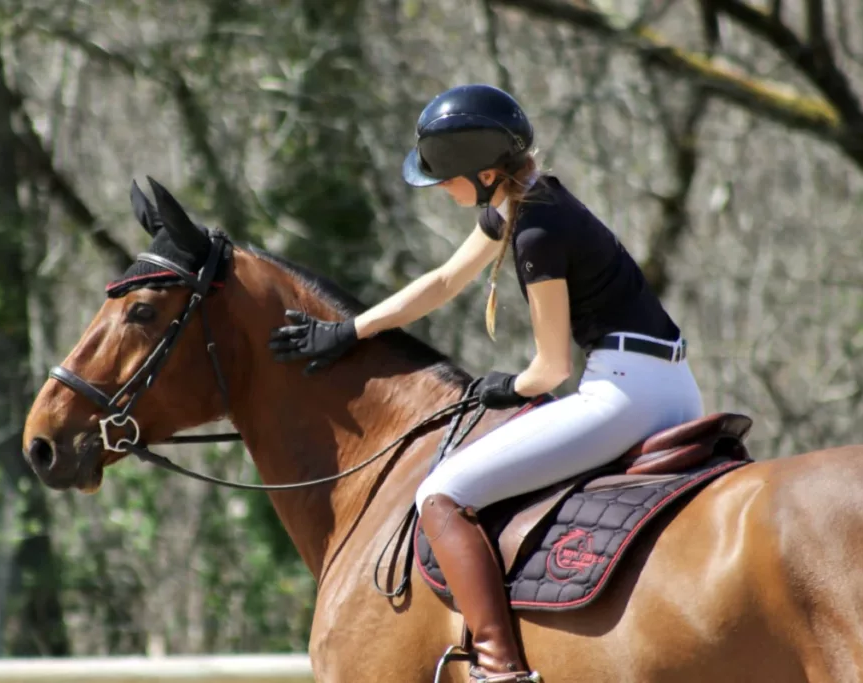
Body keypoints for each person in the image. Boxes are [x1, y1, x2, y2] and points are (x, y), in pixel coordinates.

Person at [268, 84, 704, 683]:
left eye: (444, 177)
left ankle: (499, 666)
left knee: (441, 494)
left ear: (483, 172)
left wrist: (509, 385)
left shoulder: (536, 233)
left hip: (625, 393)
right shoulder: (526, 201)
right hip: (670, 383)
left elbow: (549, 369)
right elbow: (445, 279)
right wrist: (351, 331)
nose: (441, 189)